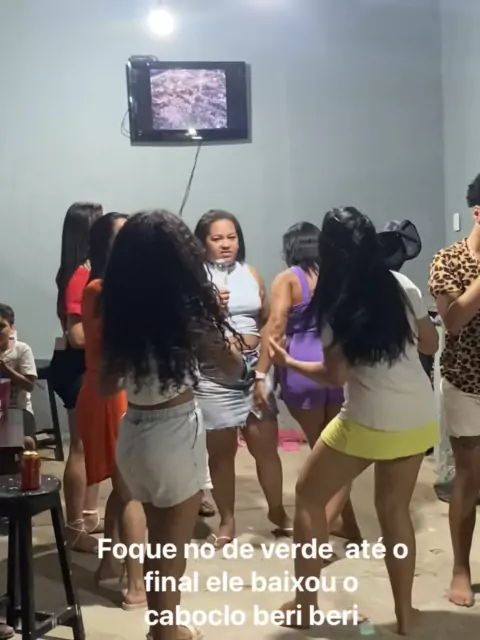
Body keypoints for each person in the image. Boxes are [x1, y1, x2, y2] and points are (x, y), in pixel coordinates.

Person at [269, 207, 438, 635]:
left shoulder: (336, 304)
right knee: (394, 510)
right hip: (418, 415)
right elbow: (431, 342)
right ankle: (405, 614)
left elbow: (334, 376)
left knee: (308, 494)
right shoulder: (402, 285)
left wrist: (289, 361)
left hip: (368, 420)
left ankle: (305, 606)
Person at [99, 210, 244, 640]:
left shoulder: (120, 312)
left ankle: (160, 628)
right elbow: (233, 366)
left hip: (133, 431)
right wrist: (211, 323)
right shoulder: (186, 314)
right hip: (174, 432)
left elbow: (106, 383)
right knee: (170, 549)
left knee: (155, 541)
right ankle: (165, 632)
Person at [255, 222, 361, 542]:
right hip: (334, 364)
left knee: (326, 456)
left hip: (301, 366)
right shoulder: (336, 277)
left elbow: (275, 327)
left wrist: (260, 375)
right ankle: (349, 526)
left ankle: (318, 534)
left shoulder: (288, 279)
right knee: (334, 450)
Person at [193, 210, 291, 549]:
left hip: (254, 369)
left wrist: (264, 367)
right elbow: (185, 327)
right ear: (202, 242)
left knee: (265, 447)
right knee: (221, 455)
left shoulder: (250, 273)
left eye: (231, 237)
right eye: (217, 238)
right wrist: (209, 308)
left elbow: (267, 320)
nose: (226, 244)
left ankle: (277, 511)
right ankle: (227, 520)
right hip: (214, 373)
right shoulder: (194, 277)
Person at [75, 213, 146, 609]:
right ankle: (136, 586)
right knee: (131, 488)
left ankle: (108, 563)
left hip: (120, 390)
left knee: (124, 485)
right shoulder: (99, 289)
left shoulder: (121, 288)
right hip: (110, 392)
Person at [429, 173, 480, 608]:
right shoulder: (447, 260)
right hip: (467, 382)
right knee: (470, 475)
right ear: (478, 213)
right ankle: (461, 568)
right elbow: (454, 320)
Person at [50, 201, 103, 553]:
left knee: (94, 446)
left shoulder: (87, 271)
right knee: (81, 447)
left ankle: (89, 515)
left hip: (90, 366)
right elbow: (78, 335)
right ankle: (73, 528)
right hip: (78, 367)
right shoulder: (79, 277)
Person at [0, 303, 37, 449]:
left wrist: (7, 370)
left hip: (19, 410)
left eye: (1, 326)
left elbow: (30, 385)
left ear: (11, 328)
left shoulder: (21, 350)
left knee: (27, 442)